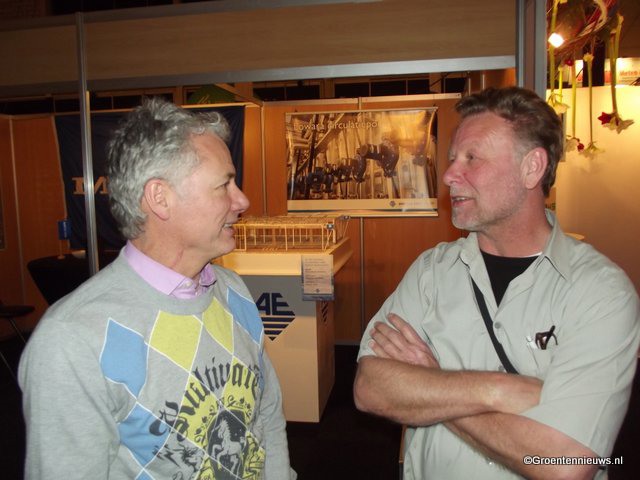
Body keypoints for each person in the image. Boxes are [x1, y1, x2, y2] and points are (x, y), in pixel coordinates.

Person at [354, 86, 640, 479]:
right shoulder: (431, 271)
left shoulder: (600, 292)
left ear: (531, 168)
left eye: (472, 158)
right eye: (453, 158)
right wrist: (499, 390)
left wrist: (434, 383)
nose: (449, 175)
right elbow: (370, 386)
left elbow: (566, 464)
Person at [19, 98, 296, 480]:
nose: (242, 200)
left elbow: (266, 416)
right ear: (160, 198)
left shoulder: (233, 291)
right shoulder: (71, 340)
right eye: (224, 185)